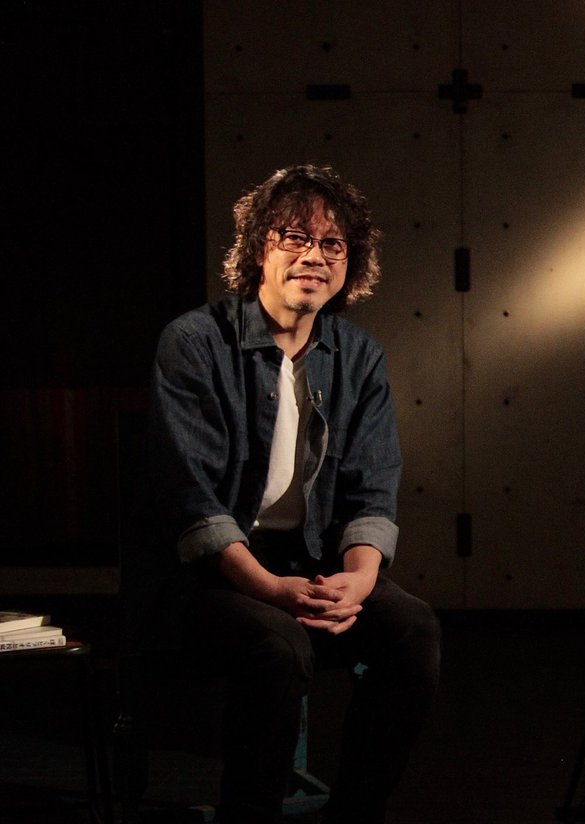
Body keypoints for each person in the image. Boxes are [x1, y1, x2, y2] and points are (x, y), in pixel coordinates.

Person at [147, 164, 440, 824]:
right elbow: (192, 498)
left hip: (305, 565)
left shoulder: (357, 355)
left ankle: (355, 814)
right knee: (279, 646)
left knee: (412, 630)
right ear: (259, 248)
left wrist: (358, 581)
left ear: (350, 263)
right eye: (295, 237)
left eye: (332, 243)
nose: (314, 256)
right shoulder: (193, 343)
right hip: (207, 580)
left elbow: (373, 486)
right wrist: (270, 589)